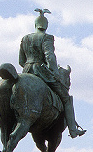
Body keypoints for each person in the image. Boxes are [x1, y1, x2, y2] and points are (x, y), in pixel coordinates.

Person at [19, 8, 86, 138]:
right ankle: (73, 130)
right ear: (45, 26)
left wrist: (28, 66)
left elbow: (21, 60)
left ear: (35, 25)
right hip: (42, 72)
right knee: (66, 99)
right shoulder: (47, 37)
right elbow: (49, 56)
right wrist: (54, 71)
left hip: (26, 70)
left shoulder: (25, 38)